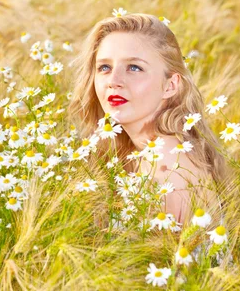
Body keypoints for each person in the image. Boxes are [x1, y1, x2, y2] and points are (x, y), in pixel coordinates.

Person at [69, 13, 229, 224]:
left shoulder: (166, 168)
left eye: (134, 67)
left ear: (170, 85)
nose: (113, 81)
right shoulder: (139, 149)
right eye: (104, 67)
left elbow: (167, 256)